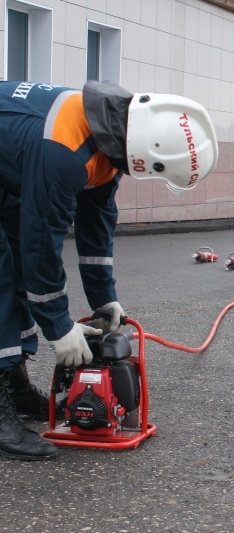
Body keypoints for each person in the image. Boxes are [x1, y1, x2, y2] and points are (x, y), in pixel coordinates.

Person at [0, 80, 219, 460]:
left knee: (18, 259)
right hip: (25, 158)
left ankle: (12, 381)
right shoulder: (63, 149)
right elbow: (43, 243)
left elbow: (96, 227)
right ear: (149, 155)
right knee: (4, 268)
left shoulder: (110, 139)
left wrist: (105, 300)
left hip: (12, 165)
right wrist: (58, 326)